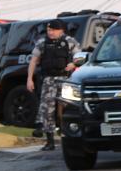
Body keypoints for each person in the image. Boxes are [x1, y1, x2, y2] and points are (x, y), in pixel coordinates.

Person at [27, 19, 81, 151]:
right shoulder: (42, 43)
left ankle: (70, 136)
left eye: (53, 30)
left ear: (61, 30)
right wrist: (29, 79)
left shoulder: (70, 41)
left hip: (66, 79)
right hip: (49, 80)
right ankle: (49, 141)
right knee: (47, 110)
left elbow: (80, 57)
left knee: (68, 108)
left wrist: (73, 64)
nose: (50, 32)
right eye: (48, 30)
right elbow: (33, 61)